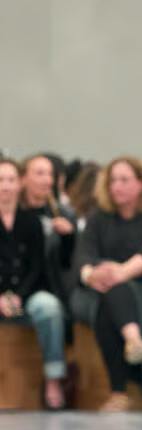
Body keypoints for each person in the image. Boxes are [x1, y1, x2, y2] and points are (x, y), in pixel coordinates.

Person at [70, 156, 142, 411]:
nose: (116, 186)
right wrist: (92, 275)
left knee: (113, 297)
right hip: (100, 289)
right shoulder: (99, 218)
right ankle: (133, 340)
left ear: (141, 183)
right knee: (111, 298)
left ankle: (118, 393)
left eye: (124, 180)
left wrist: (119, 273)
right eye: (112, 181)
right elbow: (83, 256)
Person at [0, 158, 68, 408]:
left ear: (20, 184)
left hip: (25, 295)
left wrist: (18, 296)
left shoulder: (31, 222)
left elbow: (36, 266)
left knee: (49, 307)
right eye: (0, 180)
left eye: (11, 180)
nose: (6, 186)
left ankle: (53, 378)